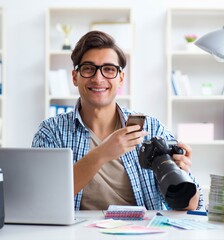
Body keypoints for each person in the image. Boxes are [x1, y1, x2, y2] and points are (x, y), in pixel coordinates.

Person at [32, 30, 204, 211]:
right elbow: (43, 199)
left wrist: (182, 176)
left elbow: (192, 207)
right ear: (75, 77)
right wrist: (103, 153)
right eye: (89, 68)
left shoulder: (152, 130)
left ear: (121, 78)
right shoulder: (51, 132)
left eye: (109, 69)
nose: (98, 79)